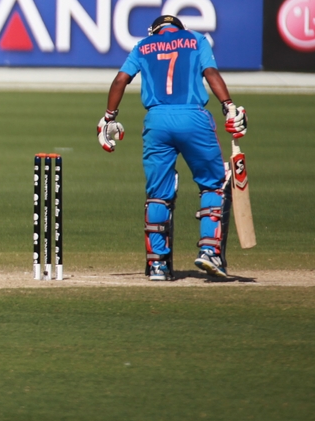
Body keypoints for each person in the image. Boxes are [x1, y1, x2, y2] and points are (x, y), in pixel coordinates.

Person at [98, 14, 248, 281]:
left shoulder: (143, 45)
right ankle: (209, 251)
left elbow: (121, 79)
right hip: (193, 118)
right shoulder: (196, 39)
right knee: (213, 183)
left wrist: (109, 117)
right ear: (180, 28)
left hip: (156, 122)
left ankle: (157, 265)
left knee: (158, 193)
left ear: (155, 31)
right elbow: (210, 73)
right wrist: (229, 106)